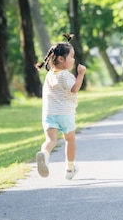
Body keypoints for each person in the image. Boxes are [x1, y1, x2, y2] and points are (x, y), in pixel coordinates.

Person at [35, 34, 86, 180]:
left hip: (49, 114)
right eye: (71, 56)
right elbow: (74, 89)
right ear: (61, 59)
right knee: (70, 140)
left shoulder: (50, 74)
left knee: (50, 140)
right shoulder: (65, 76)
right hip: (65, 113)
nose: (74, 59)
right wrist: (81, 74)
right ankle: (70, 169)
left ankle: (44, 154)